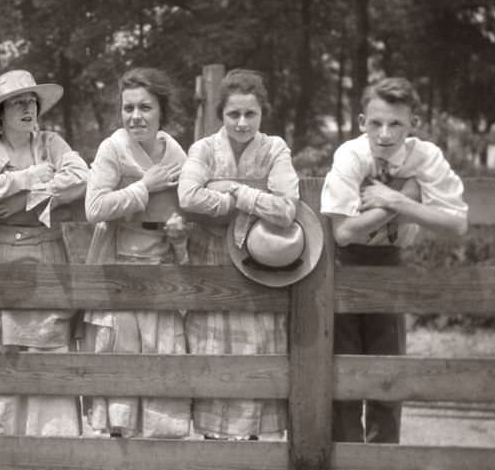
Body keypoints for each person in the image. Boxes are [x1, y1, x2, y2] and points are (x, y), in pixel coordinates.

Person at [321, 77, 468, 443]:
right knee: (345, 372)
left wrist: (397, 200)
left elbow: (457, 224)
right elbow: (343, 232)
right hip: (344, 266)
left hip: (391, 263)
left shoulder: (425, 156)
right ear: (361, 122)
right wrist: (402, 200)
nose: (385, 134)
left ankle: (384, 460)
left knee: (389, 372)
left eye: (396, 124)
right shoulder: (350, 155)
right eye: (375, 123)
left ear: (413, 124)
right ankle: (348, 461)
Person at [0, 69, 88, 436]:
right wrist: (32, 177)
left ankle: (50, 449)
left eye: (31, 101)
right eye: (17, 102)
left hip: (46, 256)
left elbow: (81, 175)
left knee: (47, 351)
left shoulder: (51, 142)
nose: (27, 107)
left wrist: (24, 201)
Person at [178, 68, 298, 440]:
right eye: (234, 114)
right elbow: (188, 196)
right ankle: (213, 449)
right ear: (222, 115)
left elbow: (286, 209)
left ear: (262, 114)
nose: (243, 123)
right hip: (211, 265)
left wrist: (235, 191)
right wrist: (254, 201)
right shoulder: (204, 149)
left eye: (251, 114)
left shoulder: (275, 148)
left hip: (259, 265)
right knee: (211, 354)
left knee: (257, 355)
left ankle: (253, 448)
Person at [84, 67, 191, 438]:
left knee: (163, 377)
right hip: (117, 275)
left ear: (162, 111)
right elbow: (94, 207)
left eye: (145, 107)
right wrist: (144, 186)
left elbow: (188, 207)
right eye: (128, 108)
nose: (135, 116)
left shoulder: (176, 152)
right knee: (119, 382)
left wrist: (178, 232)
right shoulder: (112, 149)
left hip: (161, 279)